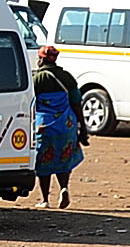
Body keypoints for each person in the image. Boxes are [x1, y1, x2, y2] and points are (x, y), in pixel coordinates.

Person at [31, 44, 89, 209]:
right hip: (66, 124)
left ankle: (45, 199)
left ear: (41, 59)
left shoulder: (37, 79)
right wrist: (82, 128)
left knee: (44, 160)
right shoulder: (67, 77)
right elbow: (77, 103)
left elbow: (30, 103)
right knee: (64, 158)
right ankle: (64, 187)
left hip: (44, 126)